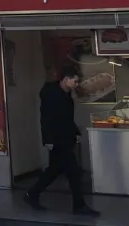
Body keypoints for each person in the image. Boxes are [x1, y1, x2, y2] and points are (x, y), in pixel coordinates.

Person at [25, 64, 100, 216]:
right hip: (57, 139)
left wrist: (75, 132)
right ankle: (79, 206)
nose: (76, 84)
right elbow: (46, 118)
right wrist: (48, 140)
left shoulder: (66, 95)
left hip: (65, 137)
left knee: (54, 170)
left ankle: (32, 194)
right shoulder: (51, 94)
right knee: (74, 172)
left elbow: (67, 118)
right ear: (66, 80)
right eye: (75, 81)